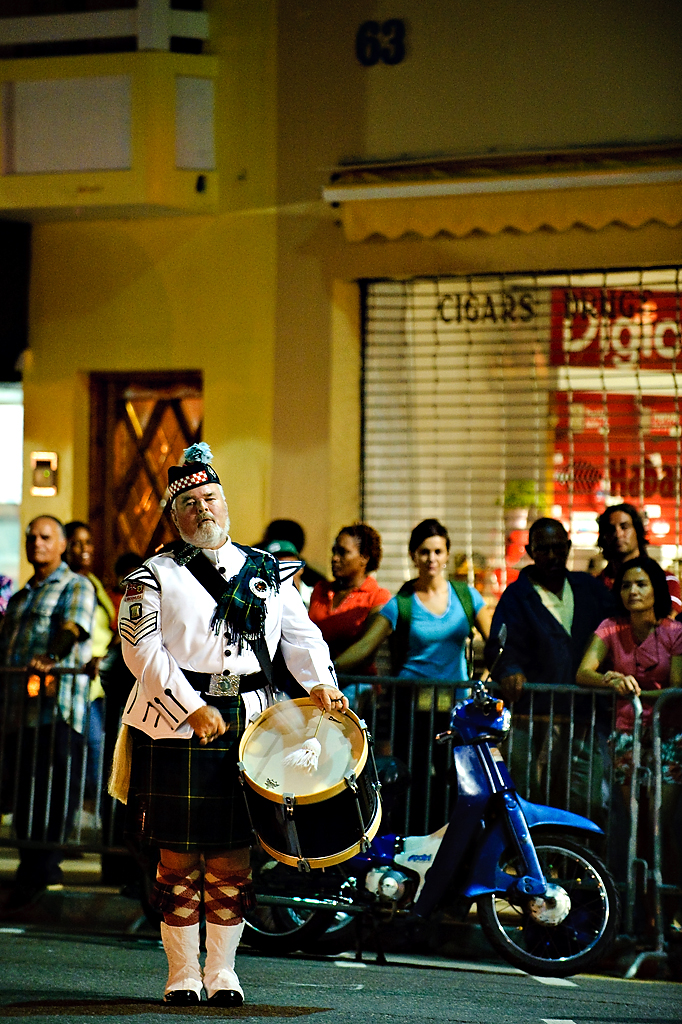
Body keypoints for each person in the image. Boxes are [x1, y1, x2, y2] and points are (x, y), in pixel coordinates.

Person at [116, 443, 345, 1007]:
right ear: (174, 517)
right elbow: (141, 651)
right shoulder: (153, 577)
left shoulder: (269, 572)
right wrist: (190, 705)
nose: (203, 509)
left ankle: (222, 973)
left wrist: (322, 682)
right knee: (177, 858)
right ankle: (181, 974)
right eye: (189, 503)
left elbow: (301, 638)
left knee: (231, 857)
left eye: (210, 497)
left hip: (251, 723)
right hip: (176, 724)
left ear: (225, 501)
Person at [484, 518, 614, 813]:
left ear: (568, 547)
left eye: (559, 548)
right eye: (544, 549)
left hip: (583, 716)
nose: (553, 556)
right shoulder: (517, 596)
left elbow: (616, 630)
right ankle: (531, 859)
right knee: (529, 797)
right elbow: (499, 644)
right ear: (531, 550)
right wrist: (508, 670)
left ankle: (577, 859)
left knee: (584, 799)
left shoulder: (588, 588)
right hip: (532, 717)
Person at [0, 516, 96, 913]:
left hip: (56, 712)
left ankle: (41, 873)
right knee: (23, 798)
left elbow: (73, 628)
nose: (36, 543)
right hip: (17, 713)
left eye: (45, 537)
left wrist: (51, 657)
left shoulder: (76, 585)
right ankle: (30, 872)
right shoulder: (22, 596)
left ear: (61, 545)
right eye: (31, 537)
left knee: (51, 796)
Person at [577, 555, 682, 913]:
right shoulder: (609, 627)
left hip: (667, 737)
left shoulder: (674, 632)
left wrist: (635, 692)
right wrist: (611, 678)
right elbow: (583, 672)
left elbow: (676, 687)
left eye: (641, 584)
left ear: (657, 590)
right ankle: (633, 917)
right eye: (626, 585)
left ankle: (664, 917)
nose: (633, 591)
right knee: (635, 826)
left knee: (660, 826)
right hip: (626, 735)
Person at [336, 519, 490, 683]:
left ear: (447, 556)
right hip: (411, 701)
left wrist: (485, 683)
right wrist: (326, 669)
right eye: (424, 552)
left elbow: (497, 645)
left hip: (457, 700)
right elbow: (365, 646)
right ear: (412, 555)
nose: (432, 558)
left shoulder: (468, 597)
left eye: (438, 552)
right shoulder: (401, 603)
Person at [64, 521, 116, 807]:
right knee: (87, 748)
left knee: (96, 747)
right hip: (76, 677)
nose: (84, 549)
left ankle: (88, 814)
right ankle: (79, 813)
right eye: (76, 543)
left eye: (88, 543)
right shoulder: (68, 584)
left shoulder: (92, 581)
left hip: (98, 681)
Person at [308, 523, 391, 677]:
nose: (334, 558)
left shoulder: (377, 597)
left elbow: (367, 648)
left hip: (355, 684)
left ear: (364, 558)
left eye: (343, 552)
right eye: (334, 552)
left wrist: (329, 670)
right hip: (313, 680)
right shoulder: (320, 590)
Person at [597, 503, 681, 616]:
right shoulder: (596, 585)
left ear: (637, 531)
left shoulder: (666, 580)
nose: (618, 534)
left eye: (624, 527)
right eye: (611, 529)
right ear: (604, 536)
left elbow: (668, 623)